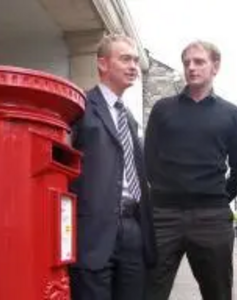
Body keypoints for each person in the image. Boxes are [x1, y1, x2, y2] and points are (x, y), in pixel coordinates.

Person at [144, 40, 237, 300]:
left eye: (199, 61)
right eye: (187, 62)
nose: (191, 68)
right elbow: (149, 161)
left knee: (218, 293)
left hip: (211, 218)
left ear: (215, 66)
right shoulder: (162, 110)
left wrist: (215, 195)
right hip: (164, 216)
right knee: (149, 291)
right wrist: (171, 190)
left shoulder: (232, 114)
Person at [68, 34, 156, 300]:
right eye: (125, 59)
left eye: (136, 61)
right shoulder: (80, 105)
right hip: (93, 231)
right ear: (103, 64)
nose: (133, 66)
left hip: (133, 229)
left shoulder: (128, 118)